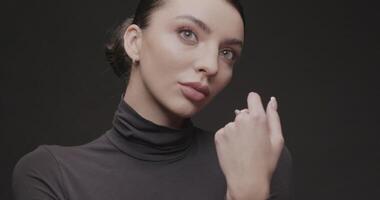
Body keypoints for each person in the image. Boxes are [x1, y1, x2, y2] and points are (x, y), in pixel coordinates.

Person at [12, 0, 293, 199]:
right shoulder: (51, 174)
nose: (211, 65)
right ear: (135, 42)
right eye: (188, 34)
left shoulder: (258, 161)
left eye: (227, 52)